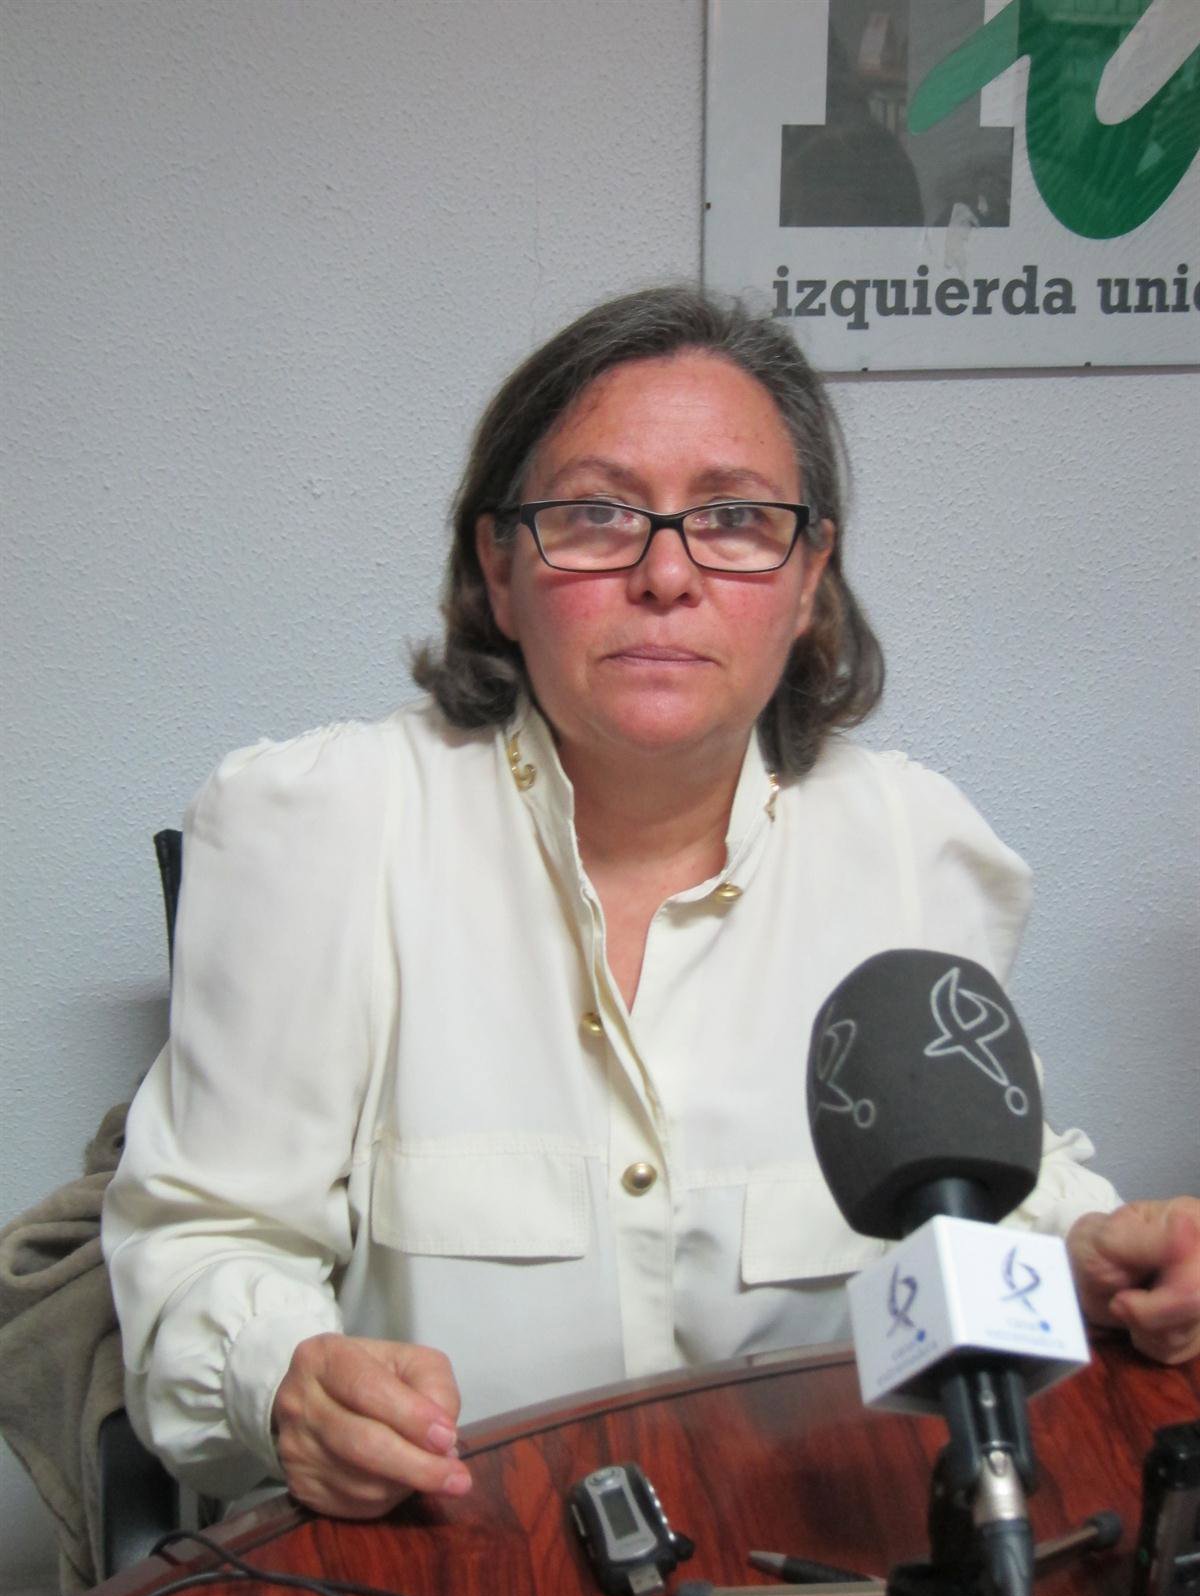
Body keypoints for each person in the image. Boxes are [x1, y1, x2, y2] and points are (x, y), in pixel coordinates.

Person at [102, 285, 1200, 1525]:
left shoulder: (915, 848)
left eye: (734, 518)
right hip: (454, 1545)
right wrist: (283, 1380)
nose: (666, 572)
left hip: (813, 1539)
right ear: (500, 569)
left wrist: (1096, 1259)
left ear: (809, 579)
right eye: (596, 514)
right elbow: (202, 1246)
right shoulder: (319, 829)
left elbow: (988, 1195)